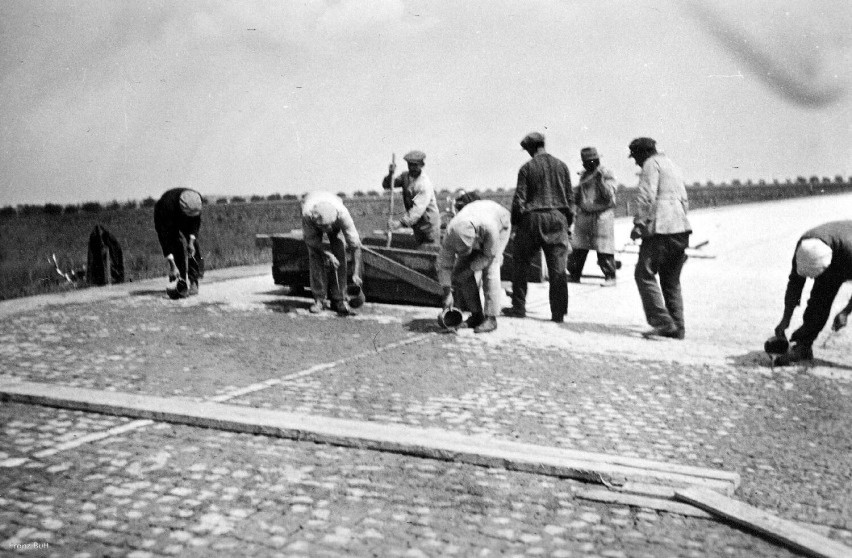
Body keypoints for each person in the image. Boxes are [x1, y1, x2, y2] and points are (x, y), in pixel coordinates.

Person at [503, 132, 574, 322]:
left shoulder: (526, 168)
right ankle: (558, 314)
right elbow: (570, 199)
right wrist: (567, 223)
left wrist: (516, 225)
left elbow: (519, 201)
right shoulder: (562, 166)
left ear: (530, 148)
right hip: (558, 218)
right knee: (558, 269)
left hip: (532, 220)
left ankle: (518, 307)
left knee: (520, 264)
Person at [628, 137, 692, 339]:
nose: (636, 162)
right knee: (671, 280)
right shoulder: (671, 165)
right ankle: (677, 327)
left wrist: (639, 224)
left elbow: (646, 196)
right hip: (680, 229)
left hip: (661, 230)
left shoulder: (650, 164)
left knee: (643, 274)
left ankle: (663, 323)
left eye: (636, 157)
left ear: (642, 154)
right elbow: (684, 200)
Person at [770, 221, 852, 362]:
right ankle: (803, 346)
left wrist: (846, 311)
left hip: (846, 254)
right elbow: (795, 284)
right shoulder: (805, 246)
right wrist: (786, 319)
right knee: (819, 301)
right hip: (837, 251)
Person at [438, 195, 511, 334]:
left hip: (500, 223)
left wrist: (471, 269)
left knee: (491, 269)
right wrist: (447, 292)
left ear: (476, 237)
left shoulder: (490, 228)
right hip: (477, 220)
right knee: (460, 272)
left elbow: (488, 256)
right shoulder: (450, 233)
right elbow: (443, 264)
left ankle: (491, 318)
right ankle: (477, 315)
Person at [301, 191, 363, 316]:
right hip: (311, 205)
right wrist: (328, 254)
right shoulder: (308, 214)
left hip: (334, 206)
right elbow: (312, 241)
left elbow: (355, 245)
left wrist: (356, 273)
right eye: (324, 227)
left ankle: (339, 299)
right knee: (314, 254)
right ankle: (319, 300)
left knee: (339, 249)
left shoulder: (342, 215)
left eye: (329, 227)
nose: (327, 230)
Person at [567, 147, 618, 286]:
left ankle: (610, 276)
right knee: (579, 247)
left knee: (604, 248)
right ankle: (574, 274)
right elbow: (578, 194)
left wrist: (600, 180)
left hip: (602, 215)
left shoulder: (606, 173)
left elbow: (609, 194)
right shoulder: (584, 176)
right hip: (584, 214)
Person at [382, 150, 441, 247]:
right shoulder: (405, 176)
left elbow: (417, 210)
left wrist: (400, 223)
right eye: (410, 165)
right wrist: (390, 174)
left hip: (429, 224)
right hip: (417, 224)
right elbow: (388, 185)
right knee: (420, 249)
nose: (412, 168)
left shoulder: (424, 184)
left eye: (415, 165)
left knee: (430, 250)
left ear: (422, 165)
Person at [154, 188, 204, 297]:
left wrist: (191, 241)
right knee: (176, 246)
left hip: (183, 213)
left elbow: (195, 224)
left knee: (194, 247)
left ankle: (194, 280)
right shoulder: (165, 207)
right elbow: (165, 240)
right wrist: (172, 265)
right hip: (167, 216)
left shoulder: (195, 200)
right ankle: (180, 281)